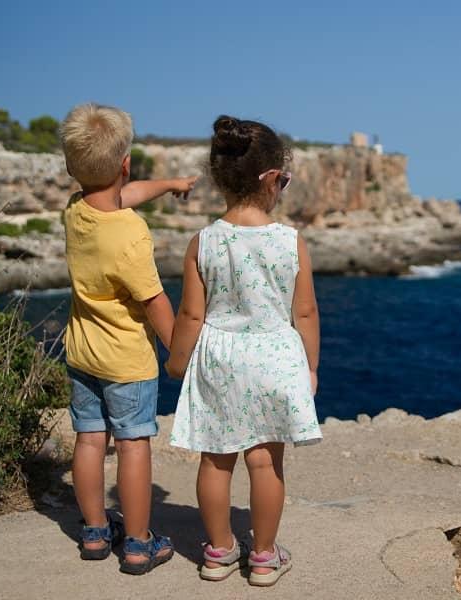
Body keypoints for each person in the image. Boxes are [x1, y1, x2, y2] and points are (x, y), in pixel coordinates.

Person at [166, 115, 322, 586]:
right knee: (265, 461)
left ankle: (218, 552)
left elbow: (191, 315)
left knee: (215, 459)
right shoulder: (290, 241)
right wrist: (310, 369)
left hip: (220, 357)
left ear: (220, 179)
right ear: (274, 179)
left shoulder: (204, 242)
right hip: (273, 357)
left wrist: (176, 361)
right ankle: (264, 557)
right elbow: (307, 313)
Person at [59, 102, 196, 575]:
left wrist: (170, 185)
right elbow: (156, 302)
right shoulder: (130, 234)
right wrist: (183, 356)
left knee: (90, 439)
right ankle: (138, 543)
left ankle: (96, 532)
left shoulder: (75, 211)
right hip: (127, 364)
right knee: (134, 444)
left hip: (82, 355)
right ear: (125, 163)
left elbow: (121, 194)